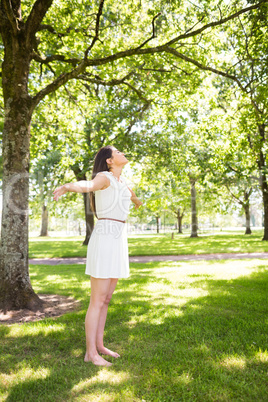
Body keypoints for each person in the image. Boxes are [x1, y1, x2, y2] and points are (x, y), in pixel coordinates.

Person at [53, 146, 142, 366]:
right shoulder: (104, 178)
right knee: (97, 300)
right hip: (104, 239)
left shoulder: (121, 182)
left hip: (118, 239)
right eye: (118, 151)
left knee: (107, 299)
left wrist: (138, 202)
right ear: (110, 161)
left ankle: (100, 345)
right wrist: (67, 186)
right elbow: (88, 185)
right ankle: (90, 354)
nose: (123, 153)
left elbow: (131, 196)